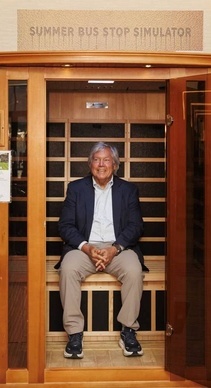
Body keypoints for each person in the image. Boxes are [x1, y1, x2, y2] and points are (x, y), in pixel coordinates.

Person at [56, 142, 147, 359]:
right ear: (90, 164)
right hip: (85, 249)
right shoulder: (76, 188)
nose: (101, 164)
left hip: (118, 249)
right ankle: (74, 333)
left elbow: (136, 226)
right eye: (96, 160)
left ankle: (128, 330)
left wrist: (114, 249)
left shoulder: (128, 190)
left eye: (106, 160)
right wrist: (87, 247)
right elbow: (65, 226)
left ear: (115, 165)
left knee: (134, 270)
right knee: (68, 269)